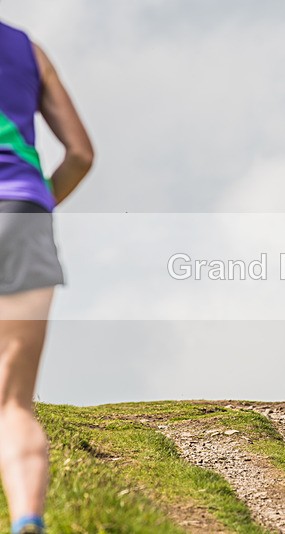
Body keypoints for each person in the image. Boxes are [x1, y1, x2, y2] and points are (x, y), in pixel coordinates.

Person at [0, 20, 93, 534]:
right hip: (22, 212)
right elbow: (79, 154)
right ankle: (28, 520)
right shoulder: (25, 49)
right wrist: (35, 208)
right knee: (12, 403)